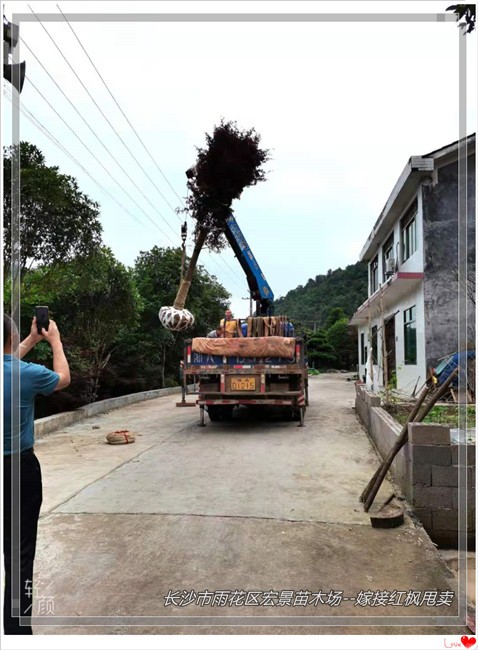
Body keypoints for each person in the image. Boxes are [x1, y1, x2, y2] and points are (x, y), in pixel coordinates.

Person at [3, 315, 70, 634]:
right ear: (12, 338)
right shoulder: (25, 375)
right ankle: (17, 631)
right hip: (18, 471)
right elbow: (63, 378)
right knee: (19, 552)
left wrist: (28, 340)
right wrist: (53, 340)